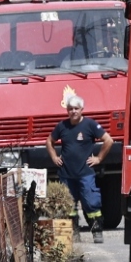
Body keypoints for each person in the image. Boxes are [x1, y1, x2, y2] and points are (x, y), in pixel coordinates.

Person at [46, 95, 114, 243]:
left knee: (91, 203)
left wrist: (99, 158)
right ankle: (74, 233)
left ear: (82, 110)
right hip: (66, 174)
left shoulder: (90, 125)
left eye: (76, 109)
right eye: (70, 109)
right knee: (69, 205)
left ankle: (96, 231)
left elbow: (108, 140)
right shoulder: (62, 126)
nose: (73, 111)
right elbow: (49, 141)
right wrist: (54, 157)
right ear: (67, 110)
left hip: (85, 173)